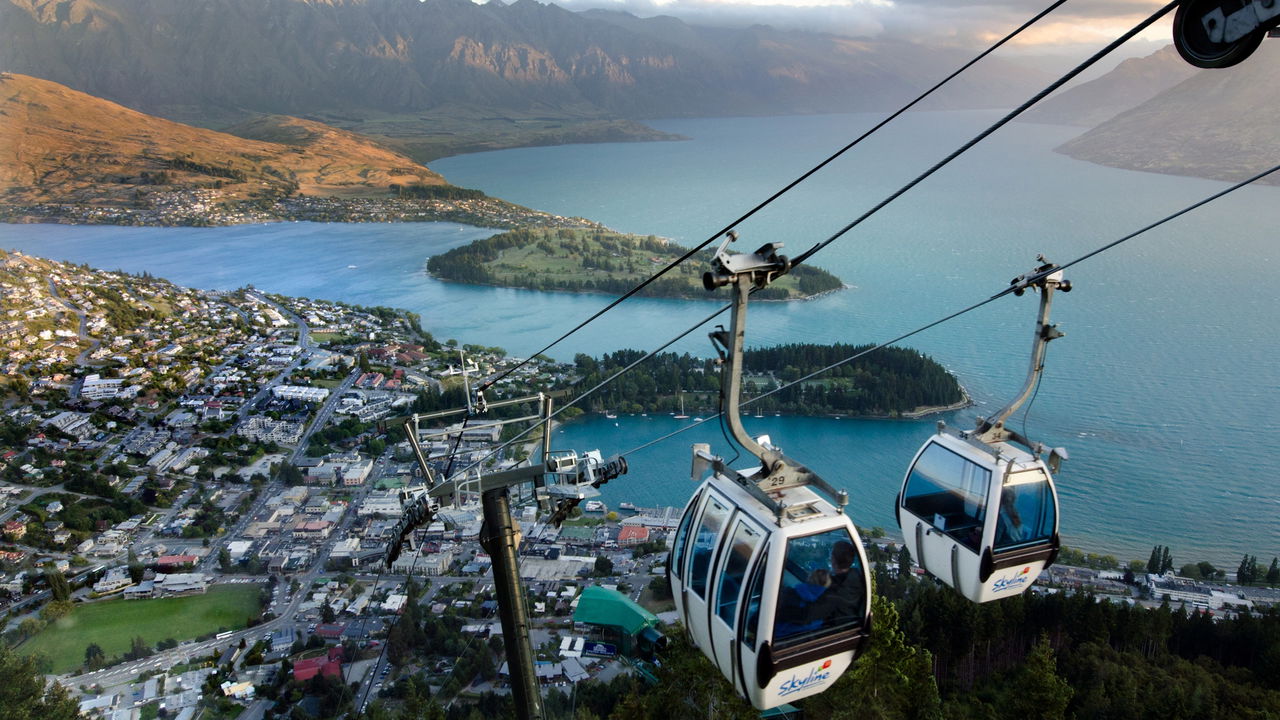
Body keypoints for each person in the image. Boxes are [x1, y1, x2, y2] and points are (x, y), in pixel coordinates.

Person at [805, 540, 864, 630]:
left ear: (833, 560)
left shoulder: (830, 591)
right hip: (850, 627)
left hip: (832, 631)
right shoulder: (859, 577)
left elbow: (810, 615)